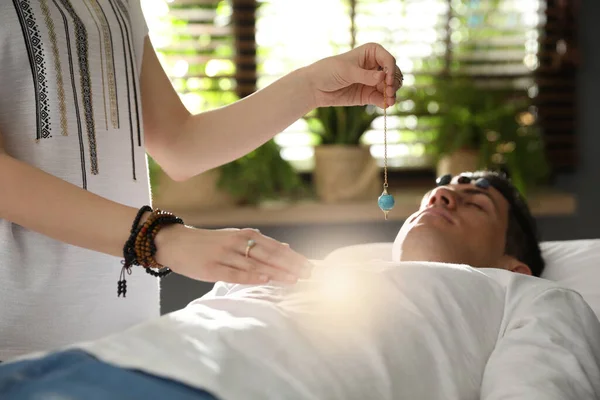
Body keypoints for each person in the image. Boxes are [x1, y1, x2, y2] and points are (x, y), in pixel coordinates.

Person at [0, 1, 403, 361]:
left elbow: (179, 144)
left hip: (125, 340)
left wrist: (310, 87)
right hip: (17, 347)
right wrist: (164, 238)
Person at [1, 170, 599, 400]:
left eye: (475, 203)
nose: (443, 193)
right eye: (445, 186)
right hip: (100, 362)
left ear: (513, 263)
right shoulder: (318, 272)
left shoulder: (529, 297)